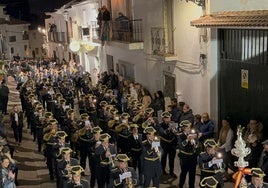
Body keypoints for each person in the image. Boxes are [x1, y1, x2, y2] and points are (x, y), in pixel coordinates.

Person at [177, 120, 199, 188]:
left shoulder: (193, 135)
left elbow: (197, 145)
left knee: (192, 174)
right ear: (183, 128)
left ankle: (191, 186)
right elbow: (181, 145)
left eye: (189, 127)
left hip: (193, 157)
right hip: (184, 157)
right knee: (184, 173)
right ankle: (181, 185)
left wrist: (194, 142)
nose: (189, 129)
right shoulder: (180, 135)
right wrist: (187, 140)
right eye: (187, 128)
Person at [156, 111, 177, 177]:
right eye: (166, 118)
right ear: (163, 119)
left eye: (169, 118)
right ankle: (163, 170)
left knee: (172, 159)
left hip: (172, 144)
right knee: (163, 158)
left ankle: (171, 171)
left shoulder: (172, 123)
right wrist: (169, 129)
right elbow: (163, 133)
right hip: (164, 144)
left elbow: (177, 132)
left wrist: (175, 131)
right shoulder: (160, 125)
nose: (168, 119)